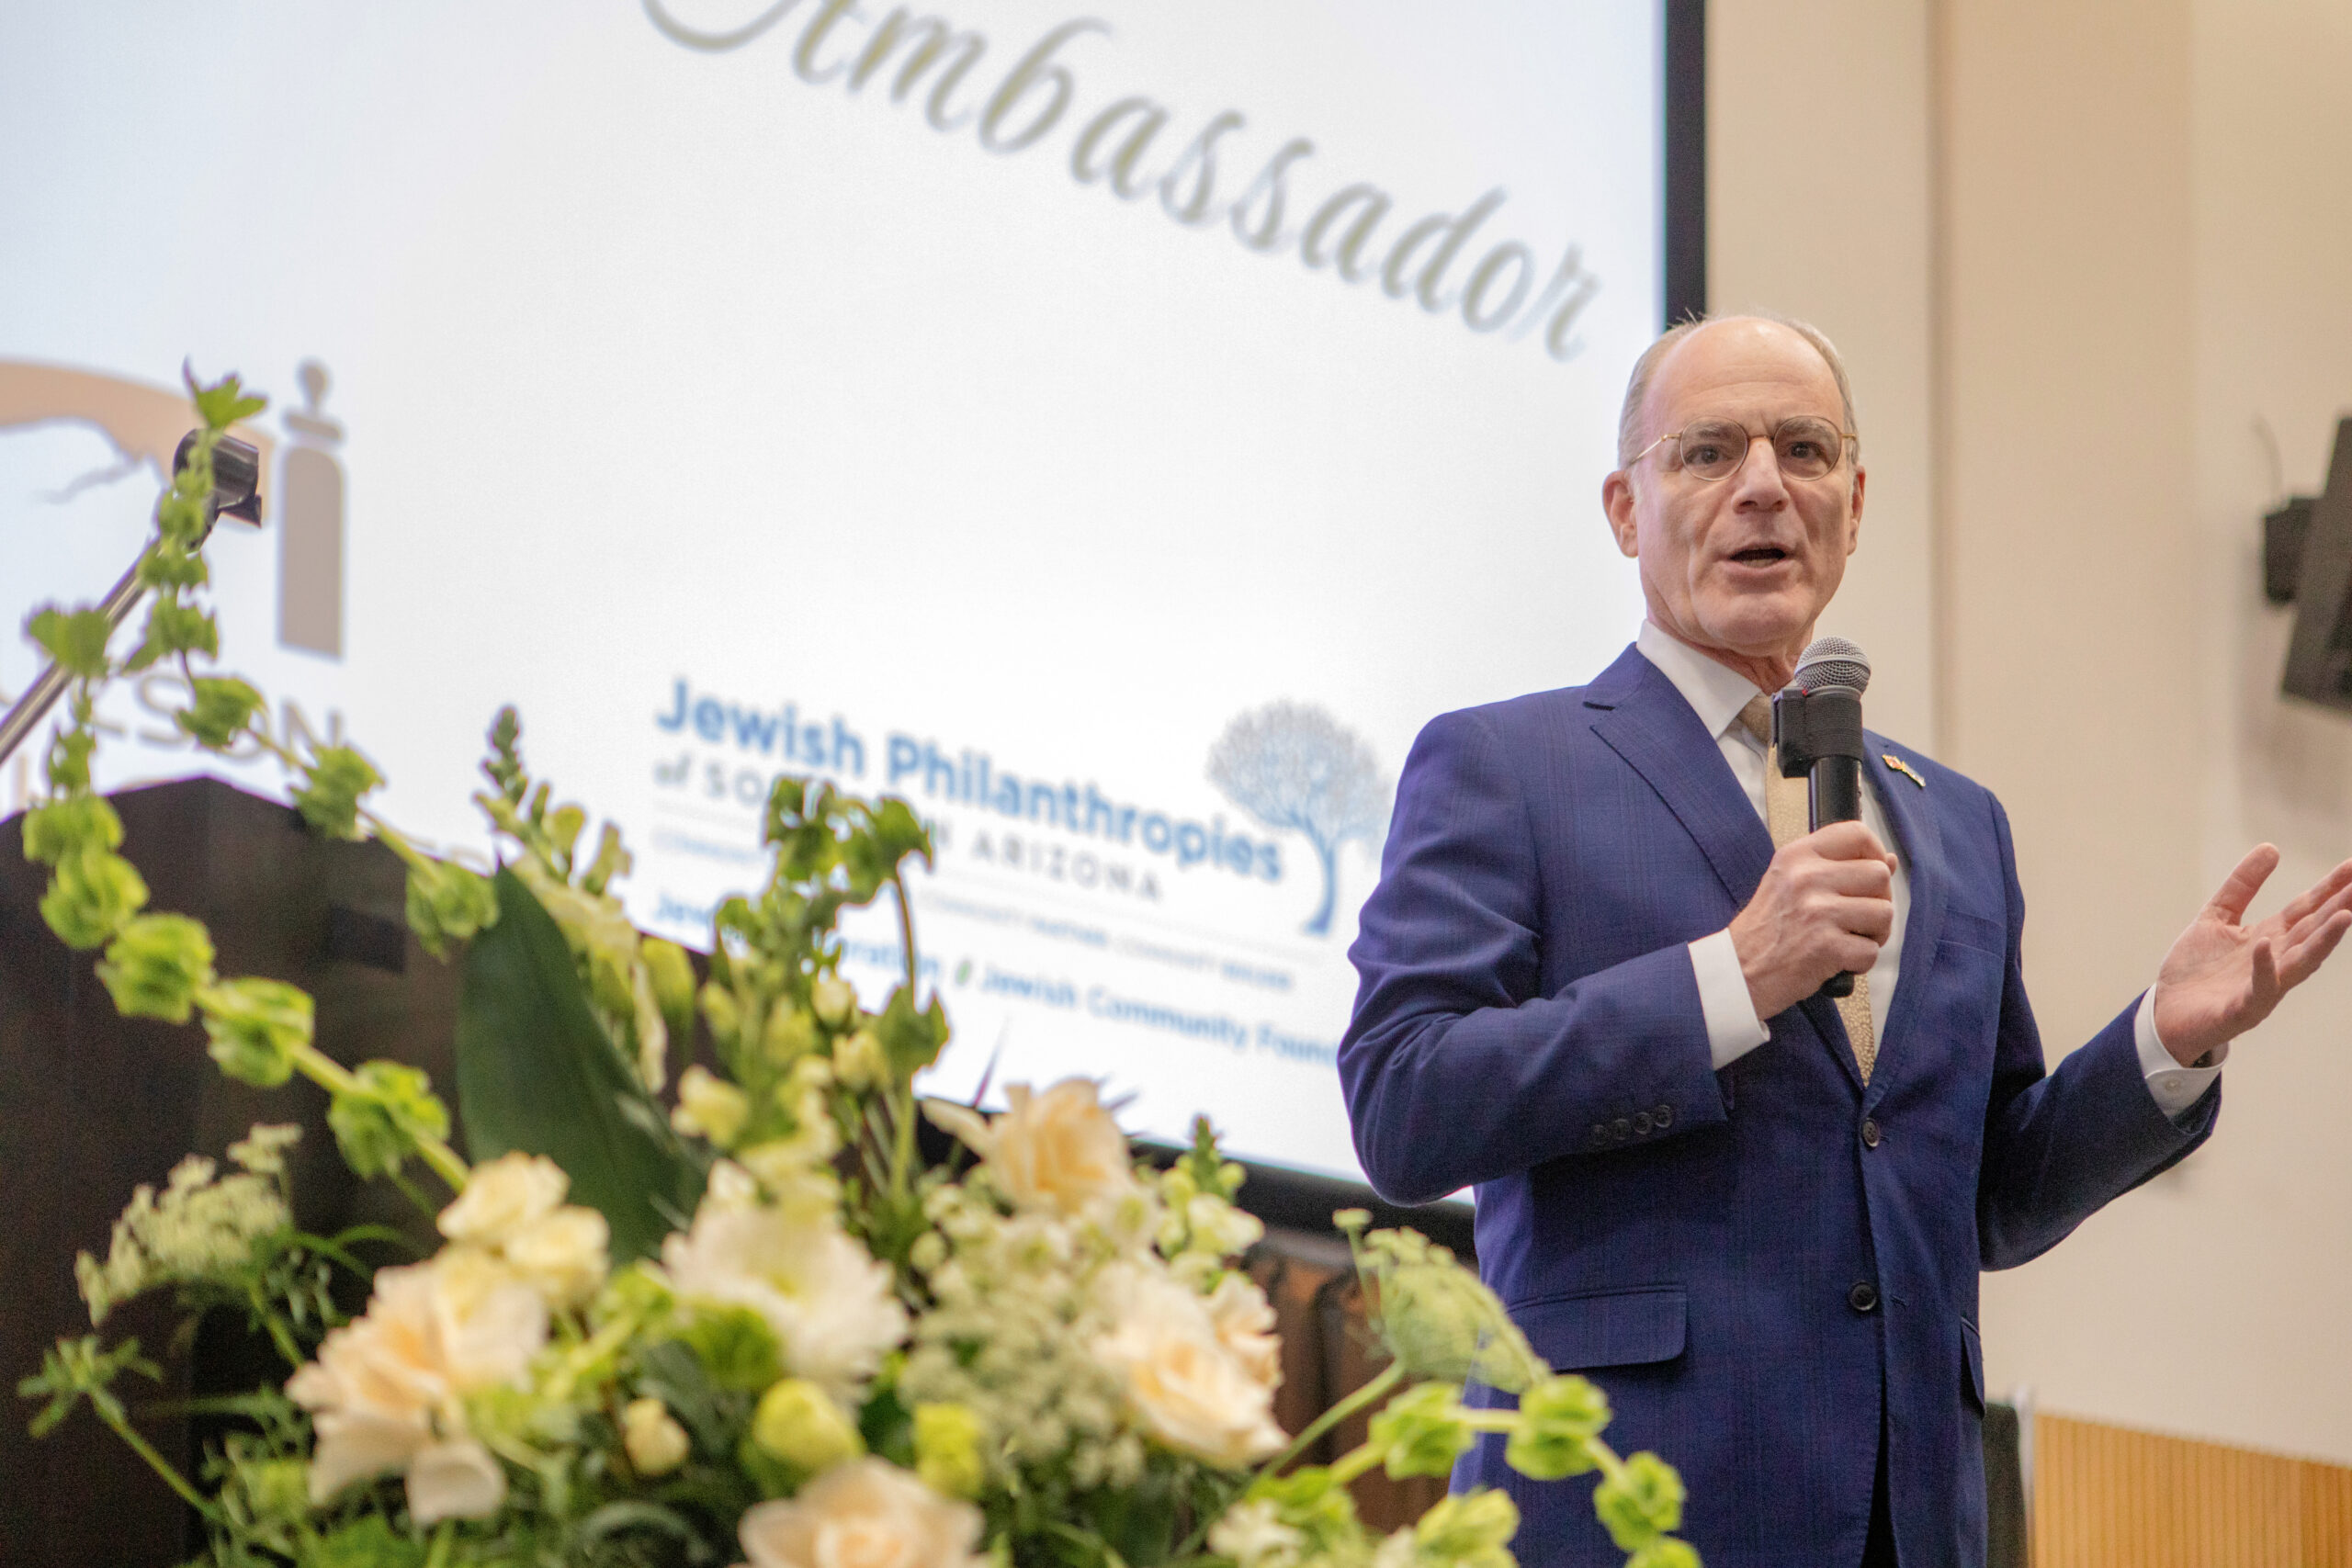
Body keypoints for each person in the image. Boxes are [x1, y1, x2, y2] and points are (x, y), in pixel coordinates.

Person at [1337, 314, 2352, 1568]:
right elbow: (1405, 1104)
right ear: (1624, 508)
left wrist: (2162, 1046)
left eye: (1805, 449)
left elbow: (1988, 1195)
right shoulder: (1507, 765)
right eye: (1709, 451)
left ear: (1854, 505)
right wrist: (1734, 977)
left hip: (1904, 1523)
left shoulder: (1959, 824)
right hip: (1623, 1508)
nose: (1764, 484)